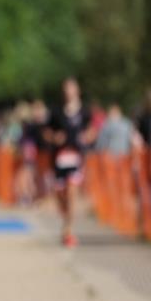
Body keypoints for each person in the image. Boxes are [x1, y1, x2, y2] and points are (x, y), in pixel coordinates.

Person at [45, 78, 95, 247]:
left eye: (72, 89)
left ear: (77, 91)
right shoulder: (56, 111)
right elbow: (46, 132)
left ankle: (69, 230)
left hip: (76, 157)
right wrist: (54, 137)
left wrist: (87, 137)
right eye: (66, 89)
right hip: (59, 159)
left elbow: (92, 131)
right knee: (61, 195)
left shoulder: (85, 112)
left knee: (72, 193)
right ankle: (66, 219)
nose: (69, 92)